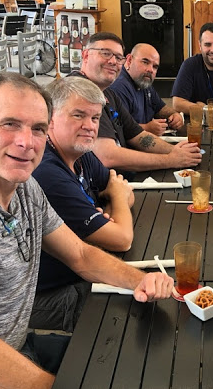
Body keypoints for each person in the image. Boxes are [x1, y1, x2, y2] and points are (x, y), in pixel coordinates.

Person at [0, 72, 174, 389]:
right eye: (9, 124)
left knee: (127, 370)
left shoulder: (26, 189)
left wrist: (141, 280)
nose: (26, 141)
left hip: (19, 347)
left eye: (37, 128)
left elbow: (80, 255)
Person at [31, 76, 135, 332]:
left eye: (95, 118)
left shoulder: (80, 153)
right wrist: (115, 199)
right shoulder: (47, 172)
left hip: (79, 269)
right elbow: (122, 238)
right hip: (48, 293)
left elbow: (126, 191)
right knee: (124, 319)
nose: (89, 126)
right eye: (78, 115)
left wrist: (110, 208)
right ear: (50, 119)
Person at [72, 32, 201, 173]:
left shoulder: (107, 92)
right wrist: (171, 159)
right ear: (85, 55)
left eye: (118, 57)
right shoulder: (79, 91)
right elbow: (108, 156)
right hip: (98, 182)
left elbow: (138, 135)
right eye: (105, 53)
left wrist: (176, 151)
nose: (113, 61)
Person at [111, 43, 184, 136]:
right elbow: (117, 128)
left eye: (155, 66)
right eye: (145, 62)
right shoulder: (118, 87)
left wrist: (174, 115)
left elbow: (160, 108)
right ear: (129, 60)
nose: (150, 70)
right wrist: (147, 128)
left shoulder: (143, 81)